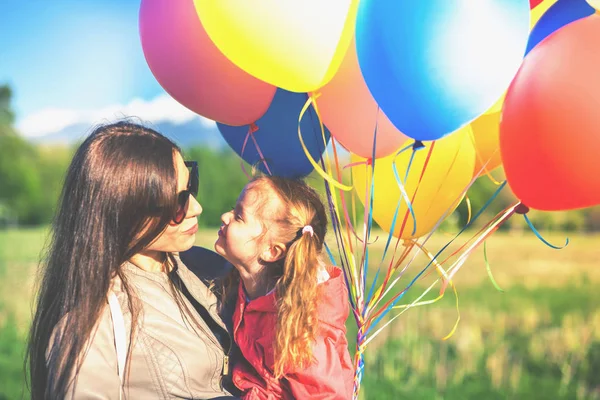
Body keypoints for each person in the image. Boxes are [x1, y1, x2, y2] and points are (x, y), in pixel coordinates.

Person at [26, 121, 239, 399]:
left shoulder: (205, 265)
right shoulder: (91, 321)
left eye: (191, 185)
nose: (195, 208)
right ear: (123, 211)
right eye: (176, 202)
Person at [214, 176, 354, 399]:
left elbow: (325, 395)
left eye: (239, 216)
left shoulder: (303, 330)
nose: (225, 216)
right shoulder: (246, 284)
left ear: (272, 251)